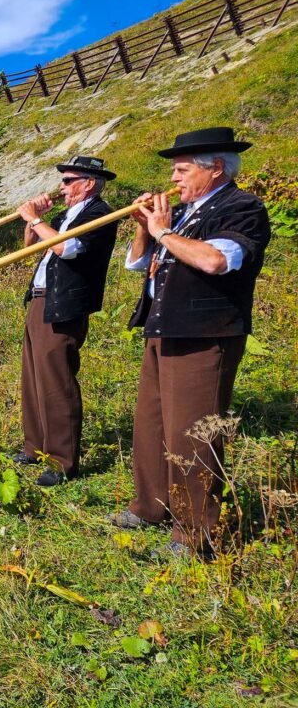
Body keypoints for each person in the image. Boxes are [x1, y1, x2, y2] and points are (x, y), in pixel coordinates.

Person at [111, 127, 271, 557]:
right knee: (152, 425)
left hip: (205, 334)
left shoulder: (242, 207)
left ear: (215, 167)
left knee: (192, 437)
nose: (174, 179)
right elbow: (137, 265)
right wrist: (146, 228)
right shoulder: (184, 213)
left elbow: (215, 260)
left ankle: (194, 534)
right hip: (164, 330)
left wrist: (163, 230)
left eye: (182, 170)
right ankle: (149, 506)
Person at [14, 155, 119, 487]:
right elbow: (30, 247)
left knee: (56, 380)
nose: (61, 187)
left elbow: (68, 249)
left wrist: (36, 219)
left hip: (65, 303)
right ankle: (36, 447)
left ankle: (62, 460)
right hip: (42, 298)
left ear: (88, 183)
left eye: (68, 181)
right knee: (33, 375)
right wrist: (35, 220)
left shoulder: (99, 213)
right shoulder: (63, 215)